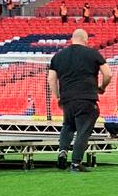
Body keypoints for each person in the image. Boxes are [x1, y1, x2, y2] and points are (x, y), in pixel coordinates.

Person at [47, 28, 111, 172]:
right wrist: (102, 87)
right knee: (83, 130)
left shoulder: (58, 56)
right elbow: (108, 74)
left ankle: (62, 151)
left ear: (72, 39)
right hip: (86, 98)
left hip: (67, 98)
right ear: (86, 39)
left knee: (68, 125)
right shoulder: (93, 53)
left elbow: (51, 79)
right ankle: (76, 163)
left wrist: (58, 96)